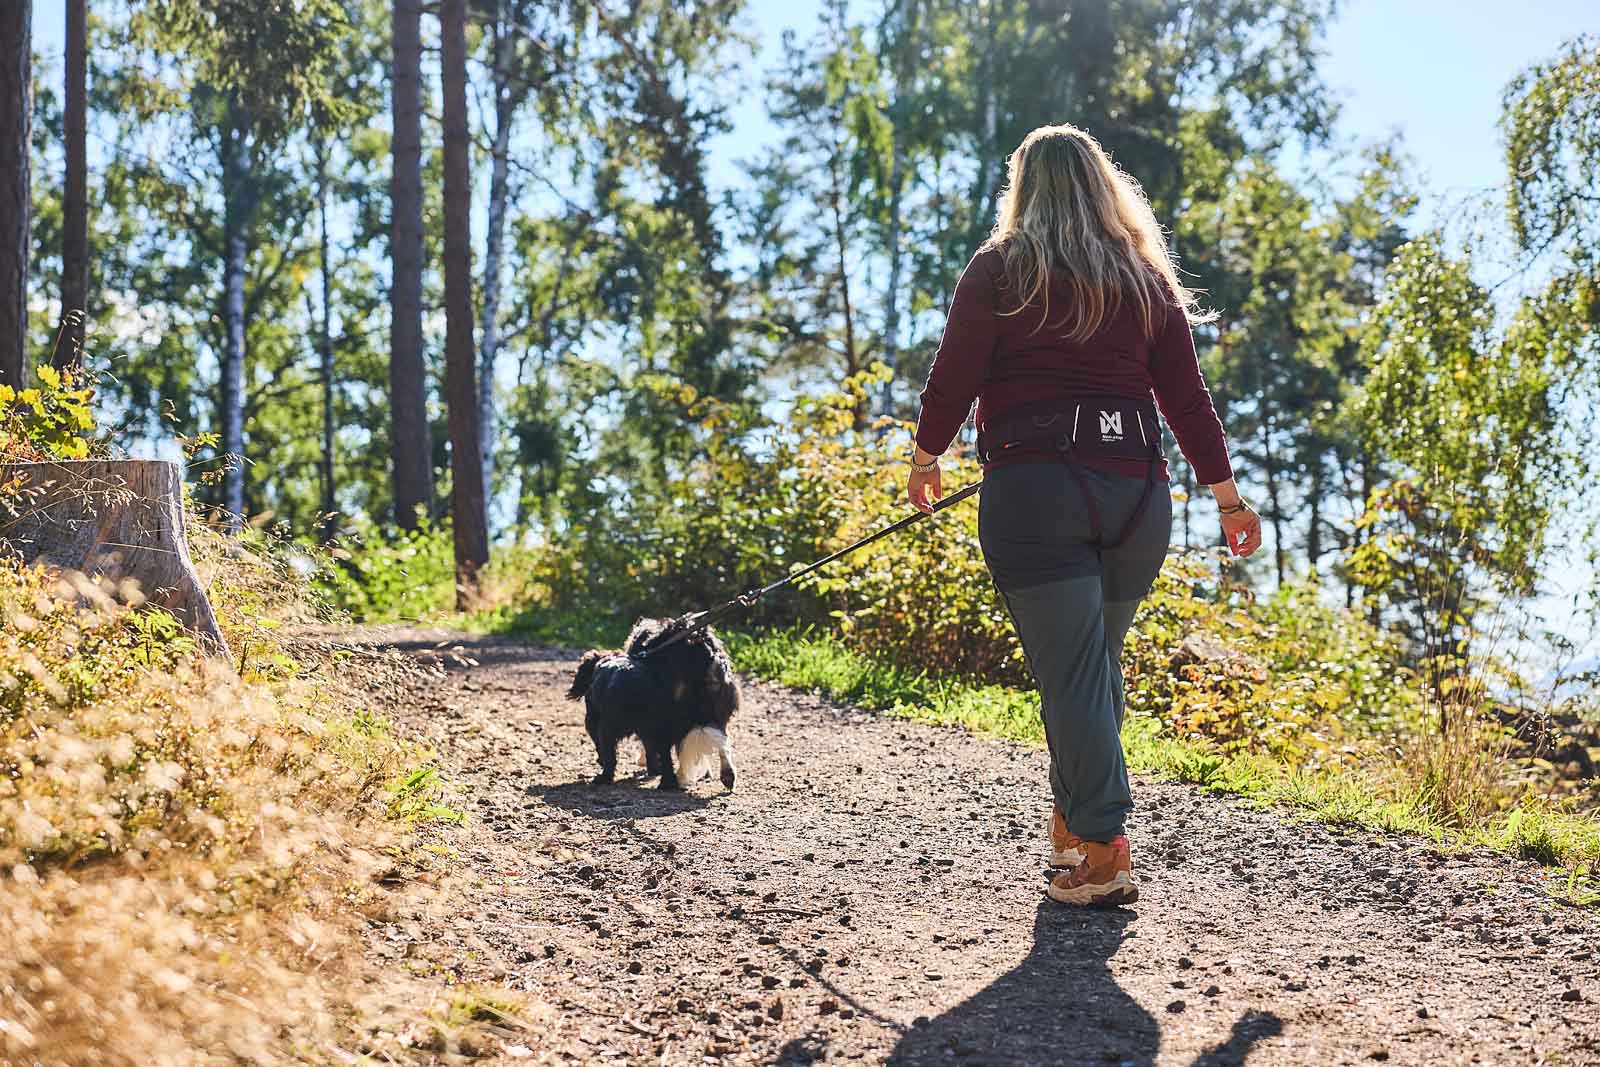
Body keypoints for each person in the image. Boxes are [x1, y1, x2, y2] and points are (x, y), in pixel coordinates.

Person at [908, 124, 1261, 907]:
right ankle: (1073, 830)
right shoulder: (1142, 276)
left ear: (1023, 189)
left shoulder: (1001, 270)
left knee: (1073, 673)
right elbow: (1188, 402)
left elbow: (954, 375)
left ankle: (1105, 851)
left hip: (1037, 496)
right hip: (1137, 497)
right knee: (1090, 667)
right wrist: (1228, 498)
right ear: (1104, 188)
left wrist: (927, 455)